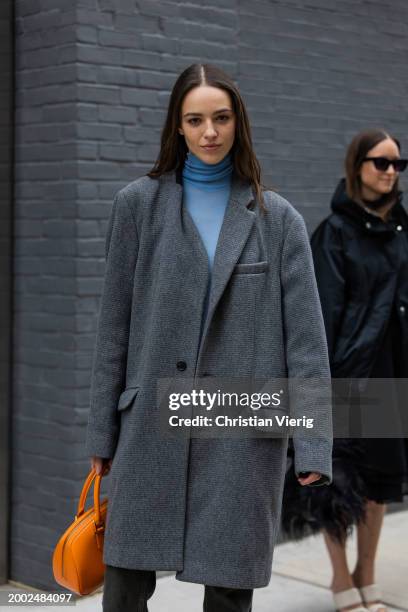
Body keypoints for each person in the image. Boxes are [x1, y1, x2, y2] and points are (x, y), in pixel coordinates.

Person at [85, 63, 333, 612]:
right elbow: (113, 328)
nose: (209, 133)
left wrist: (313, 442)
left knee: (227, 587)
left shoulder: (279, 219)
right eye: (195, 120)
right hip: (150, 421)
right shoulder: (136, 207)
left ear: (238, 122)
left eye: (221, 118)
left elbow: (307, 343)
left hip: (241, 430)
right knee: (124, 583)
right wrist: (102, 433)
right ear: (177, 126)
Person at [282, 129, 408, 612]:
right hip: (346, 375)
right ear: (357, 166)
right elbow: (321, 315)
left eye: (398, 164)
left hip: (391, 372)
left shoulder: (401, 229)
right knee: (336, 485)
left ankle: (366, 576)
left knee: (379, 485)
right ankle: (340, 581)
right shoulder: (334, 233)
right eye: (381, 162)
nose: (391, 172)